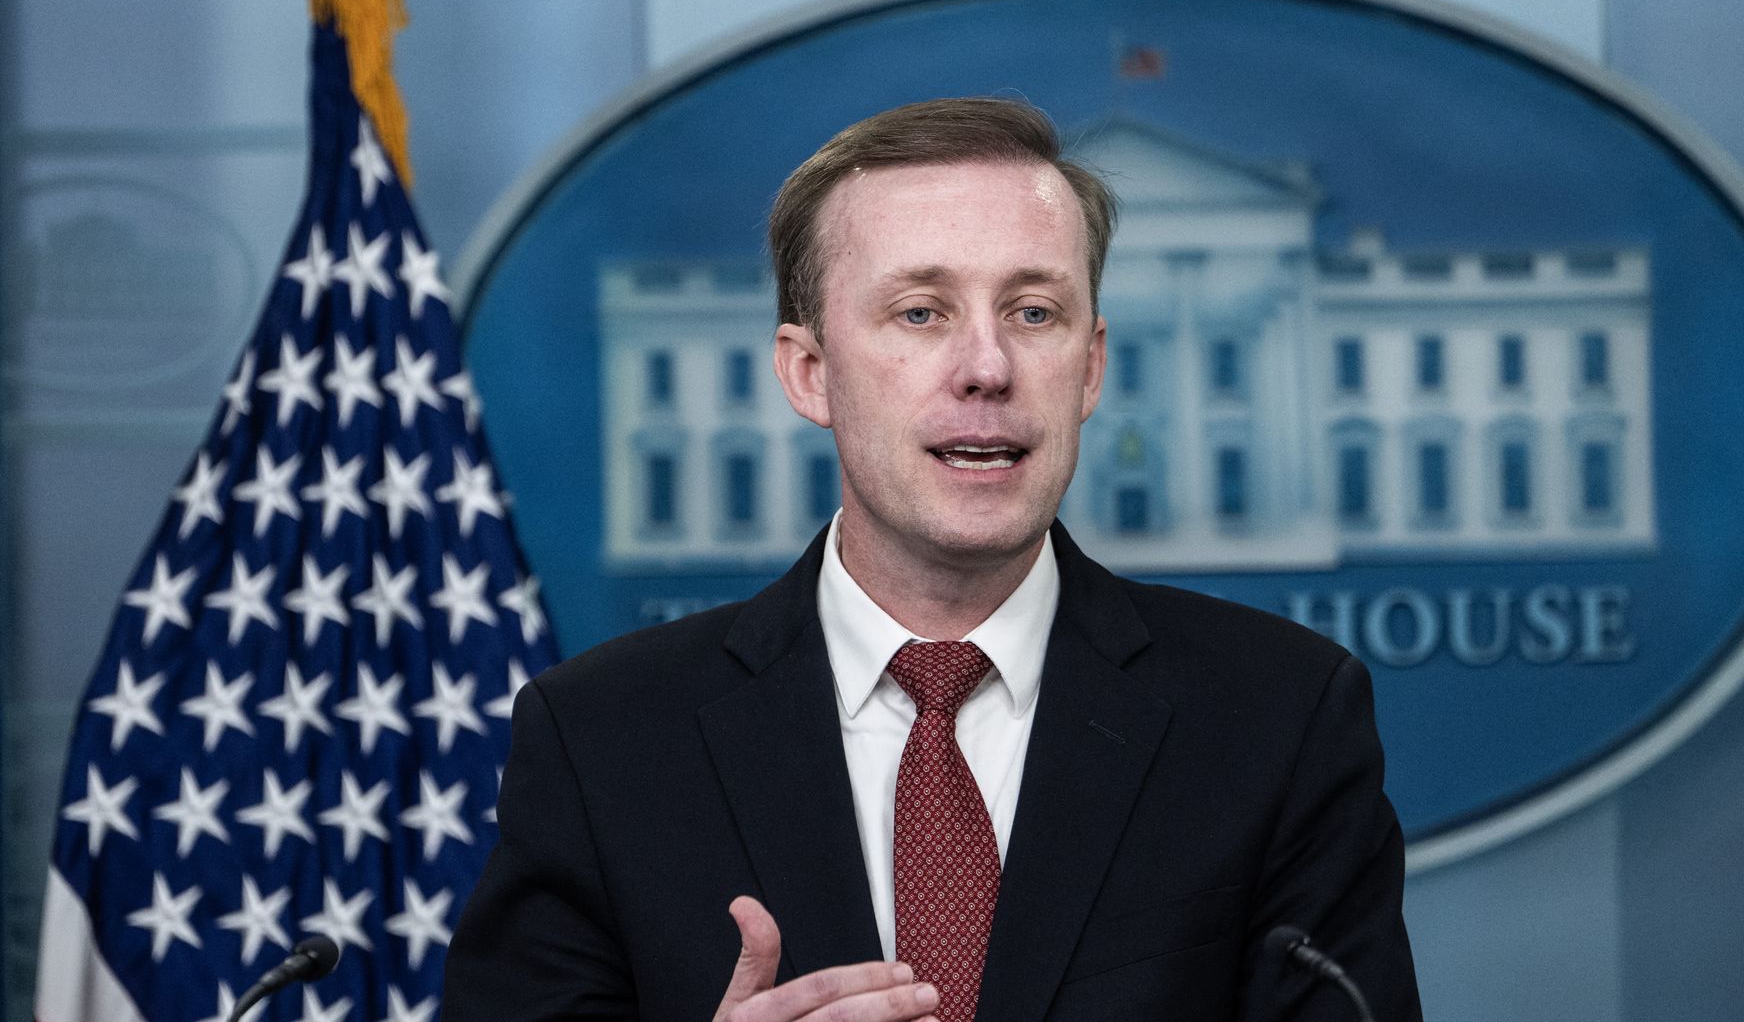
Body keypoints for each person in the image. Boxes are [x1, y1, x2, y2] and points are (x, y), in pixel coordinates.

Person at [443, 97, 1422, 1021]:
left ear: (1089, 368)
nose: (988, 367)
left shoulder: (1280, 720)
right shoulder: (603, 741)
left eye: (1034, 313)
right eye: (922, 312)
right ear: (810, 372)